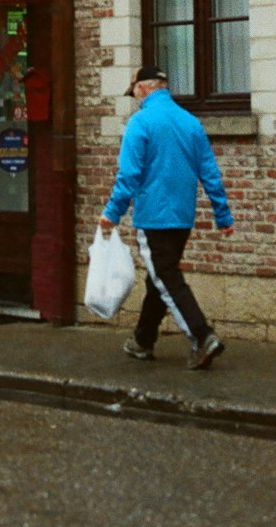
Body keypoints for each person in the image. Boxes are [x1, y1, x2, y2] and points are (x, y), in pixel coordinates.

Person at [99, 65, 234, 370]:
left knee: (166, 278)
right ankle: (143, 341)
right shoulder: (190, 122)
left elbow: (129, 175)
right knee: (159, 277)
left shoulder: (140, 123)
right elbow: (210, 172)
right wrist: (222, 215)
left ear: (143, 88)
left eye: (134, 91)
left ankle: (202, 337)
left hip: (153, 218)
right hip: (182, 217)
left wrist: (112, 213)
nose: (134, 97)